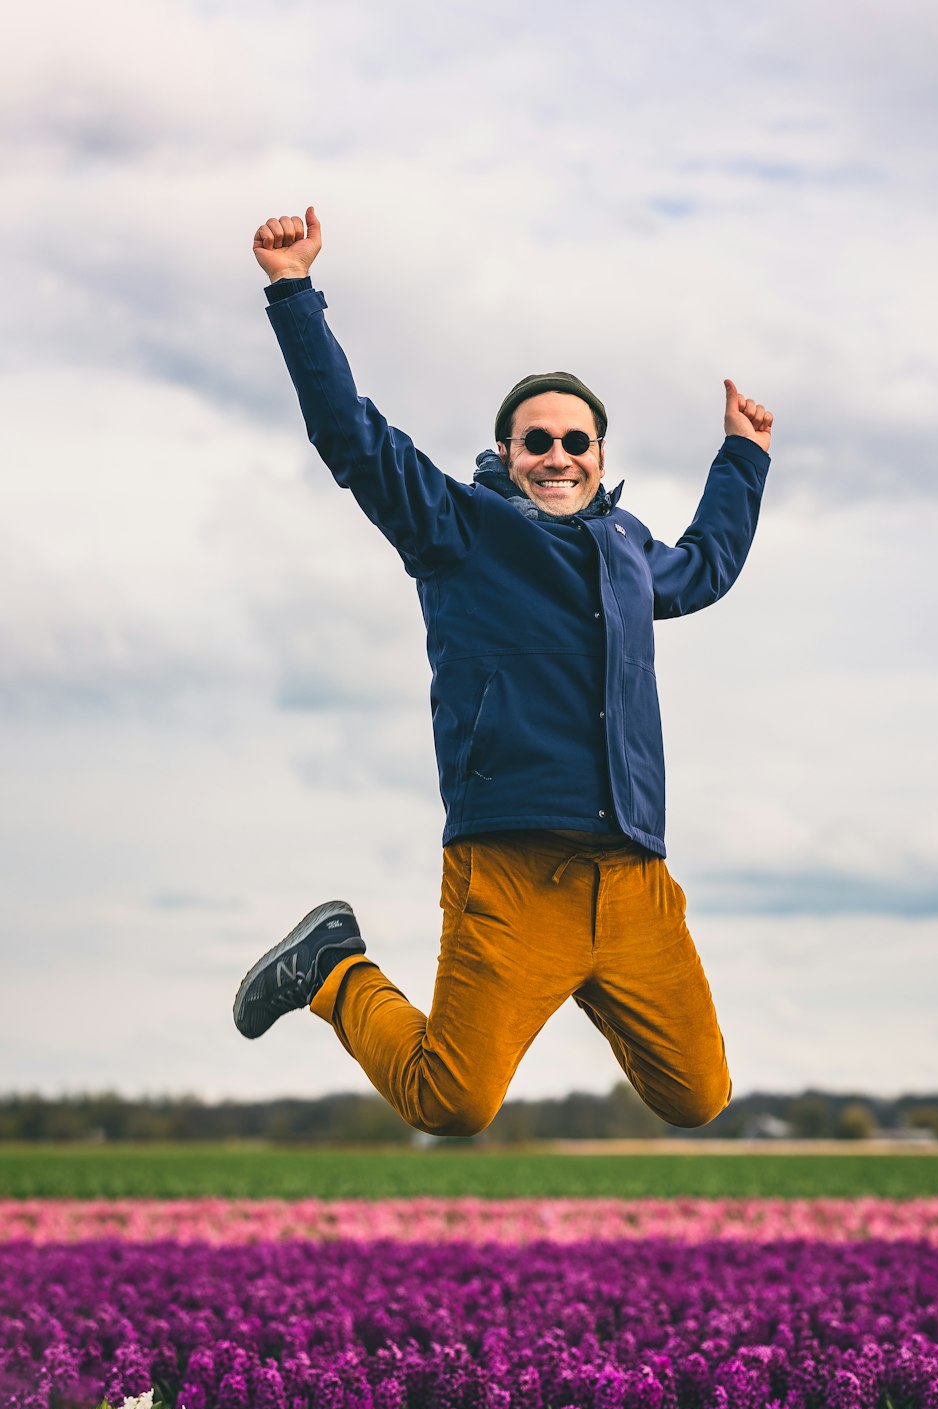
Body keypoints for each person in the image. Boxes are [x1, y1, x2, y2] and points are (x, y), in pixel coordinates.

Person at [233, 206, 773, 1138]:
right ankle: (332, 972)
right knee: (453, 1103)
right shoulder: (459, 530)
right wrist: (293, 292)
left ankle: (594, 985)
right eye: (537, 441)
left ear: (600, 460)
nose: (557, 455)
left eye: (576, 442)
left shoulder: (630, 553)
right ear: (507, 456)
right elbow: (352, 438)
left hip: (635, 880)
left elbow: (709, 567)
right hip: (513, 871)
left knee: (699, 1096)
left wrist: (744, 456)